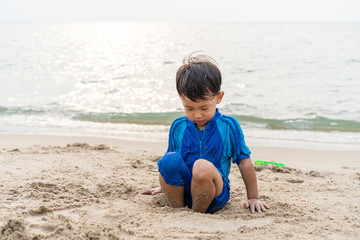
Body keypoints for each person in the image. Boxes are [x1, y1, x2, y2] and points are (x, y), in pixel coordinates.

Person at [140, 53, 269, 214]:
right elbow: (172, 164)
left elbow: (244, 162)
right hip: (183, 191)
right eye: (189, 108)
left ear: (219, 98)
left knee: (202, 167)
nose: (197, 115)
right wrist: (163, 186)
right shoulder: (178, 126)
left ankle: (197, 213)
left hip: (213, 193)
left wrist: (253, 197)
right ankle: (179, 211)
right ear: (181, 99)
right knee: (168, 159)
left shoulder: (228, 126)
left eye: (204, 108)